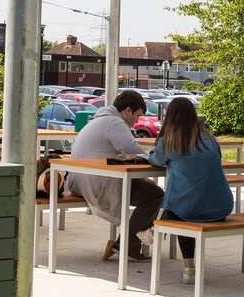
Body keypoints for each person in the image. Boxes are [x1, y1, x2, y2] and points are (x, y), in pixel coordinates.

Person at [69, 90, 163, 263]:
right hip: (95, 182)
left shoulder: (99, 119)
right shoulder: (115, 122)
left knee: (147, 188)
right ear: (128, 110)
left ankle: (131, 242)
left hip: (78, 182)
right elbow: (133, 151)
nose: (137, 121)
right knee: (155, 195)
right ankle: (127, 245)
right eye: (137, 115)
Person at [145, 97, 232, 284]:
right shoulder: (209, 138)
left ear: (170, 117)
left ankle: (188, 267)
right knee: (182, 205)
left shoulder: (169, 141)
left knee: (178, 211)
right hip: (221, 208)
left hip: (189, 211)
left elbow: (155, 160)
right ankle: (154, 228)